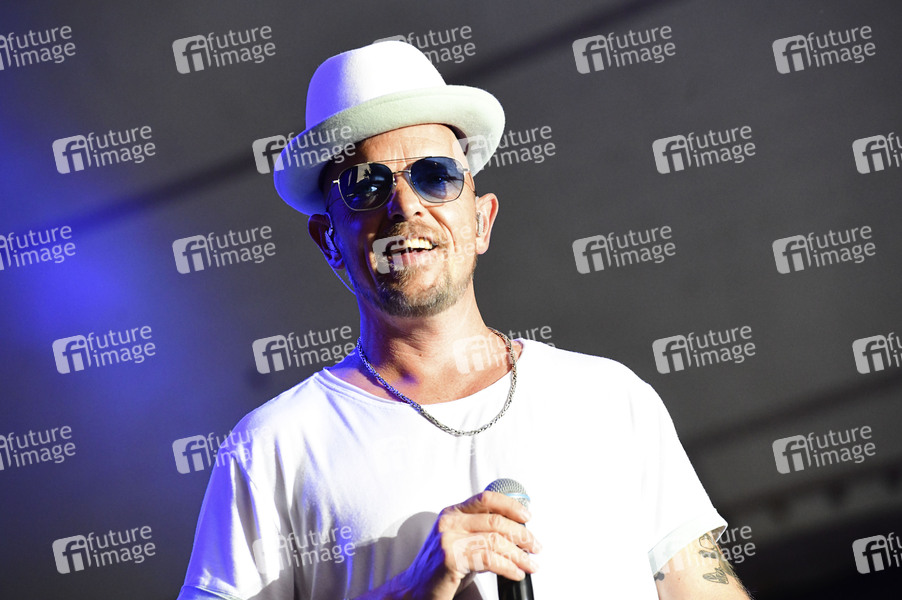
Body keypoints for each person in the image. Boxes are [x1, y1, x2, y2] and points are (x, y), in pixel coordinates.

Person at [178, 41, 752, 600]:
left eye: (434, 176)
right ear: (329, 240)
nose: (406, 205)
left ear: (481, 221)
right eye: (366, 185)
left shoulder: (610, 399)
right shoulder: (273, 449)